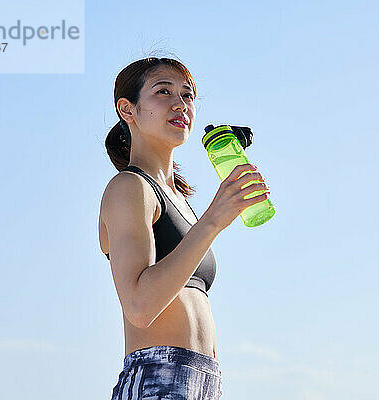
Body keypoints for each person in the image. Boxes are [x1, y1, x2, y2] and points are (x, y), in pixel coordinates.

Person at [98, 57, 270, 400]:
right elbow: (140, 307)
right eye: (164, 92)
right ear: (127, 110)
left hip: (205, 383)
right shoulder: (129, 188)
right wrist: (213, 220)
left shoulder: (178, 199)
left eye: (188, 95)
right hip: (157, 378)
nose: (181, 103)